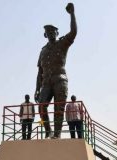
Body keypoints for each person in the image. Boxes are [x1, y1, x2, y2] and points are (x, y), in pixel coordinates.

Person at [34, 3, 77, 139]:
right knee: (41, 106)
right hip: (46, 82)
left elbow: (73, 32)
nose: (51, 34)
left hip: (60, 79)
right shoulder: (43, 51)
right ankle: (48, 131)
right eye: (48, 32)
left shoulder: (62, 44)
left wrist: (72, 15)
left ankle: (57, 134)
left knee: (58, 108)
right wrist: (36, 88)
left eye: (53, 32)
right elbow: (39, 72)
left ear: (57, 33)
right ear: (45, 34)